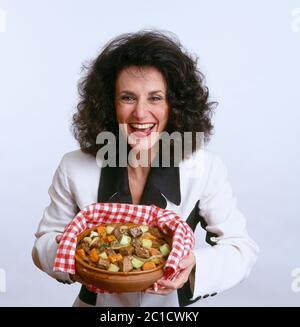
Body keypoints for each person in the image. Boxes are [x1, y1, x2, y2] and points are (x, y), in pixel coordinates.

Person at [32, 30, 259, 307]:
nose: (140, 113)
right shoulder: (73, 167)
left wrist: (194, 265)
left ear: (173, 105)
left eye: (155, 98)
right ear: (109, 105)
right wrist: (78, 257)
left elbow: (240, 249)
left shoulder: (205, 167)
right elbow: (43, 242)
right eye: (128, 98)